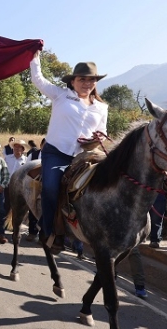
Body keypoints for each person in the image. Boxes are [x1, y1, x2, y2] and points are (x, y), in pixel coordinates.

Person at [30, 51, 108, 252]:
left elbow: (103, 131)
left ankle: (89, 230)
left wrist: (96, 139)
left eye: (92, 80)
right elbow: (38, 80)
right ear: (73, 81)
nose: (87, 83)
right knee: (50, 189)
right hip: (56, 153)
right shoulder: (60, 95)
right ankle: (50, 231)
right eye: (83, 79)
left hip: (85, 156)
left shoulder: (101, 107)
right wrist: (34, 57)